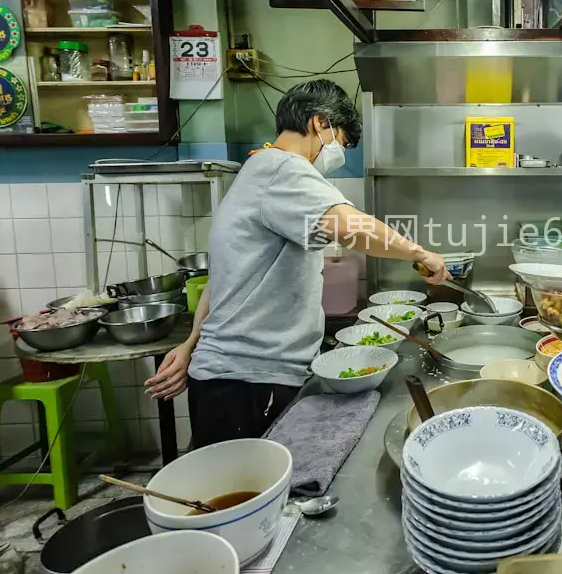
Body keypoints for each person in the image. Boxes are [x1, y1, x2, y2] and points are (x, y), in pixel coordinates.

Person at [144, 80, 450, 447]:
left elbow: (220, 280)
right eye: (343, 141)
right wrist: (421, 253)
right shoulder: (283, 169)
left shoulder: (256, 169)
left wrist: (194, 343)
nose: (340, 154)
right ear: (321, 123)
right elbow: (350, 228)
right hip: (250, 379)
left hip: (230, 376)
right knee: (247, 495)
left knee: (233, 494)